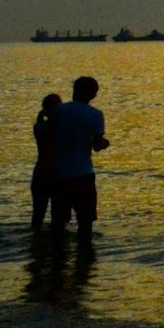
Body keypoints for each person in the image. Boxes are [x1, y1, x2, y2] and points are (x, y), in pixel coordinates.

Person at [51, 75, 109, 241]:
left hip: (59, 175)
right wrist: (104, 142)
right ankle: (85, 261)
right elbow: (97, 145)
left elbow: (51, 135)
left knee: (58, 223)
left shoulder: (59, 110)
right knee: (85, 223)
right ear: (92, 95)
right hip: (83, 174)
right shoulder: (95, 115)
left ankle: (57, 260)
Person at [30, 93, 62, 231]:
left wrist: (42, 114)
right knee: (58, 215)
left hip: (41, 171)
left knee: (38, 213)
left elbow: (41, 123)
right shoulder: (60, 129)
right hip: (57, 174)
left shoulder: (39, 127)